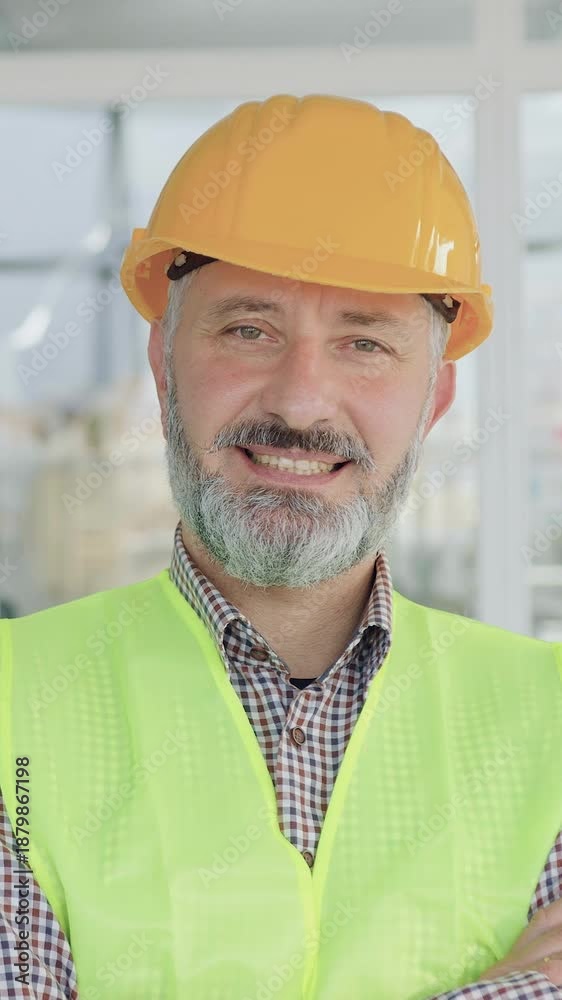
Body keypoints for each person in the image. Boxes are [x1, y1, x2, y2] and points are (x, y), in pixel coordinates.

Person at [1, 93, 561, 1000]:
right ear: (163, 364)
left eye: (364, 343)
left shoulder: (552, 718)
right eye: (249, 330)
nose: (300, 402)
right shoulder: (10, 704)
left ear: (435, 399)